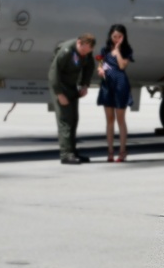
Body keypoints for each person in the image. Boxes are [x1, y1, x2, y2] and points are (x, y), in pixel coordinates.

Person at [48, 34, 96, 164]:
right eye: (84, 51)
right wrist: (59, 94)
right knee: (65, 120)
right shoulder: (66, 51)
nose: (85, 53)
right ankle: (65, 154)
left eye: (88, 52)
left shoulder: (86, 51)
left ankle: (72, 152)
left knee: (74, 118)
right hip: (60, 86)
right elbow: (53, 72)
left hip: (71, 86)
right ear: (79, 43)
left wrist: (85, 84)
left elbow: (89, 66)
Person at [96, 24, 134, 162]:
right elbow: (100, 65)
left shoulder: (126, 50)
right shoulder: (104, 50)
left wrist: (117, 50)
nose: (116, 39)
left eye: (119, 36)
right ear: (110, 36)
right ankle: (110, 151)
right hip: (107, 85)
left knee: (120, 119)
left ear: (123, 37)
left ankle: (122, 151)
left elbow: (123, 65)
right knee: (109, 120)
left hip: (120, 85)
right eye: (114, 36)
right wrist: (100, 70)